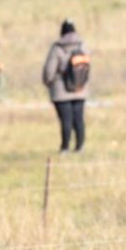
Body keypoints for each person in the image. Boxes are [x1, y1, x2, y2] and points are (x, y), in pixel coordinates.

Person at [41, 20, 89, 153]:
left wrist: (48, 82)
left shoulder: (57, 48)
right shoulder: (83, 46)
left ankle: (65, 147)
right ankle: (80, 146)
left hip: (60, 90)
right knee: (78, 118)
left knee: (66, 120)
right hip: (80, 88)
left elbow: (49, 70)